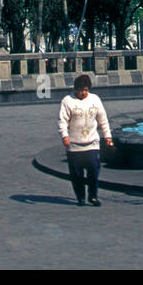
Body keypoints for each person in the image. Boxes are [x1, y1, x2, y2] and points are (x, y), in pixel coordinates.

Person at [57, 74, 112, 207]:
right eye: (81, 90)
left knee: (94, 169)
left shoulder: (95, 100)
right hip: (74, 144)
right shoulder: (67, 101)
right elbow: (62, 121)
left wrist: (108, 136)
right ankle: (80, 196)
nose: (83, 93)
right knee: (77, 174)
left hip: (92, 143)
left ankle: (93, 196)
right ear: (76, 89)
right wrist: (64, 136)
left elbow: (102, 120)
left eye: (86, 90)